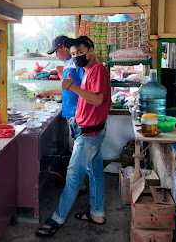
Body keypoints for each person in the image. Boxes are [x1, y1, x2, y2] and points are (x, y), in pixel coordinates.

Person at [37, 36, 111, 237]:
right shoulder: (87, 71)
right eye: (73, 54)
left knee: (73, 177)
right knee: (95, 172)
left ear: (91, 49)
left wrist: (71, 87)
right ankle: (97, 213)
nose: (77, 57)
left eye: (80, 52)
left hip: (89, 135)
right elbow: (85, 98)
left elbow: (96, 99)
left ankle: (57, 218)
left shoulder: (98, 71)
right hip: (91, 131)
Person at [48, 35, 85, 145]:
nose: (56, 55)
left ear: (63, 47)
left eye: (56, 51)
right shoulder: (67, 64)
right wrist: (47, 93)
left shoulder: (77, 63)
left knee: (81, 148)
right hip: (71, 111)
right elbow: (67, 87)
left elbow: (84, 86)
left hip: (78, 112)